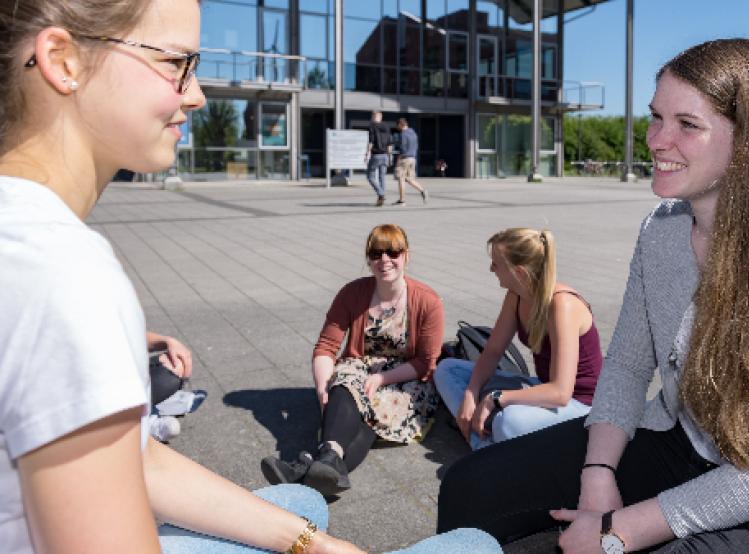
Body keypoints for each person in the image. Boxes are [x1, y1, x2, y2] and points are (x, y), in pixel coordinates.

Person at [0, 2, 497, 553]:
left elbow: (133, 457)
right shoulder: (62, 269)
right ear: (62, 60)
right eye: (175, 63)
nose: (196, 94)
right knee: (473, 544)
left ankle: (321, 476)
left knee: (304, 510)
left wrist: (313, 544)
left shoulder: (29, 240)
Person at [437, 38, 749, 553]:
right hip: (682, 439)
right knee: (469, 487)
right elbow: (626, 367)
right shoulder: (662, 231)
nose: (656, 139)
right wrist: (598, 474)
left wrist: (616, 533)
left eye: (687, 125)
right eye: (655, 117)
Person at [262, 224, 445, 497]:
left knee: (373, 411)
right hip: (360, 366)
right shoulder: (352, 293)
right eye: (376, 253)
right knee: (344, 380)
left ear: (406, 255)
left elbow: (426, 363)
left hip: (405, 377)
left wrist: (382, 378)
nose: (385, 260)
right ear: (368, 259)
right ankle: (329, 460)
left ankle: (301, 472)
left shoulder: (428, 301)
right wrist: (325, 390)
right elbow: (326, 347)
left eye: (393, 252)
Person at [433, 228, 603, 450]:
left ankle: (483, 445)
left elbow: (561, 393)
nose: (491, 269)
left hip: (582, 405)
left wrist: (496, 398)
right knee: (446, 369)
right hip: (543, 388)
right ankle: (484, 436)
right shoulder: (517, 295)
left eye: (496, 264)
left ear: (519, 272)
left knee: (509, 421)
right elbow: (493, 352)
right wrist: (471, 394)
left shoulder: (563, 305)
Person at [393, 117, 428, 205]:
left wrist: (398, 159)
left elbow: (403, 149)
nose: (397, 128)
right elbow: (416, 146)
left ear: (401, 124)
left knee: (401, 178)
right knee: (409, 179)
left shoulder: (403, 134)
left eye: (397, 126)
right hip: (413, 158)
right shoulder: (414, 133)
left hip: (404, 159)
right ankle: (423, 191)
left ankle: (402, 200)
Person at [365, 111, 392, 207]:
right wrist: (389, 157)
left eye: (372, 116)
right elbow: (389, 143)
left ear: (374, 117)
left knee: (370, 176)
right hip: (385, 155)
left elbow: (371, 142)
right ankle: (381, 198)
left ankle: (381, 193)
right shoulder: (386, 126)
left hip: (376, 155)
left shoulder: (372, 126)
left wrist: (367, 154)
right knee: (382, 177)